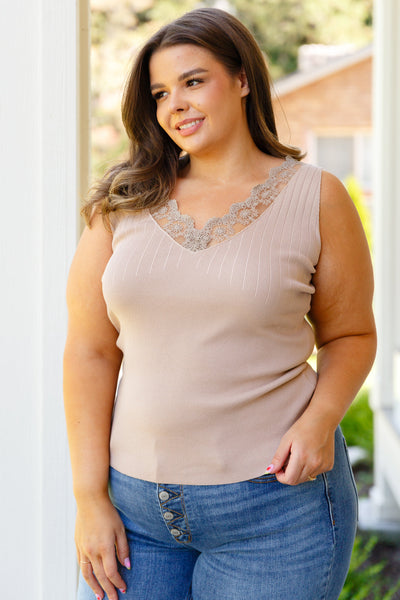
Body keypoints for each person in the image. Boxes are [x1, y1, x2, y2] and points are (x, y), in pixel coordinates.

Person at [63, 8, 376, 600]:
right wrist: (89, 498)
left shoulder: (317, 197)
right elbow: (89, 351)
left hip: (275, 508)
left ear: (242, 79)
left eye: (193, 81)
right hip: (135, 513)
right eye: (160, 93)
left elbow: (351, 335)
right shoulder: (123, 202)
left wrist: (319, 423)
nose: (175, 104)